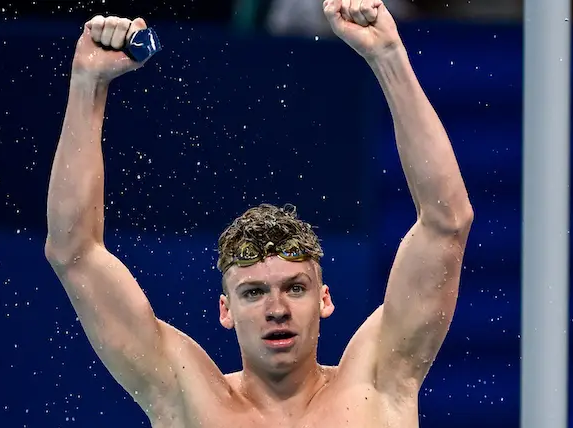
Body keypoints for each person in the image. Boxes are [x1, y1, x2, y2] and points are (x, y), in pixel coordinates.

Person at [44, 0, 473, 426]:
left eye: (295, 288)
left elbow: (447, 222)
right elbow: (73, 250)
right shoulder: (186, 396)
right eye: (253, 292)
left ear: (324, 299)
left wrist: (388, 56)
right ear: (225, 309)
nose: (277, 309)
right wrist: (86, 84)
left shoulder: (379, 382)